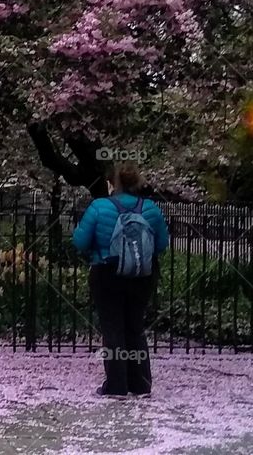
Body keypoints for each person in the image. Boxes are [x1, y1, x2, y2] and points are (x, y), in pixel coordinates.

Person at [72, 162, 169, 399]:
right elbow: (162, 244)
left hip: (107, 271)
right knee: (135, 327)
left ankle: (116, 385)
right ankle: (141, 384)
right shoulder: (151, 208)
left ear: (113, 183)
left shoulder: (99, 207)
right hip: (142, 275)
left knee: (113, 328)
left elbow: (80, 242)